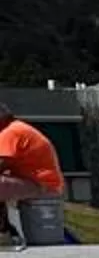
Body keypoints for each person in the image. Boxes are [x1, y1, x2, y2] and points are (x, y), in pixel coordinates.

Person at [0, 102, 68, 246]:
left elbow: (1, 163)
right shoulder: (17, 128)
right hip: (41, 183)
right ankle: (6, 230)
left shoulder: (10, 132)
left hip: (41, 185)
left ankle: (5, 232)